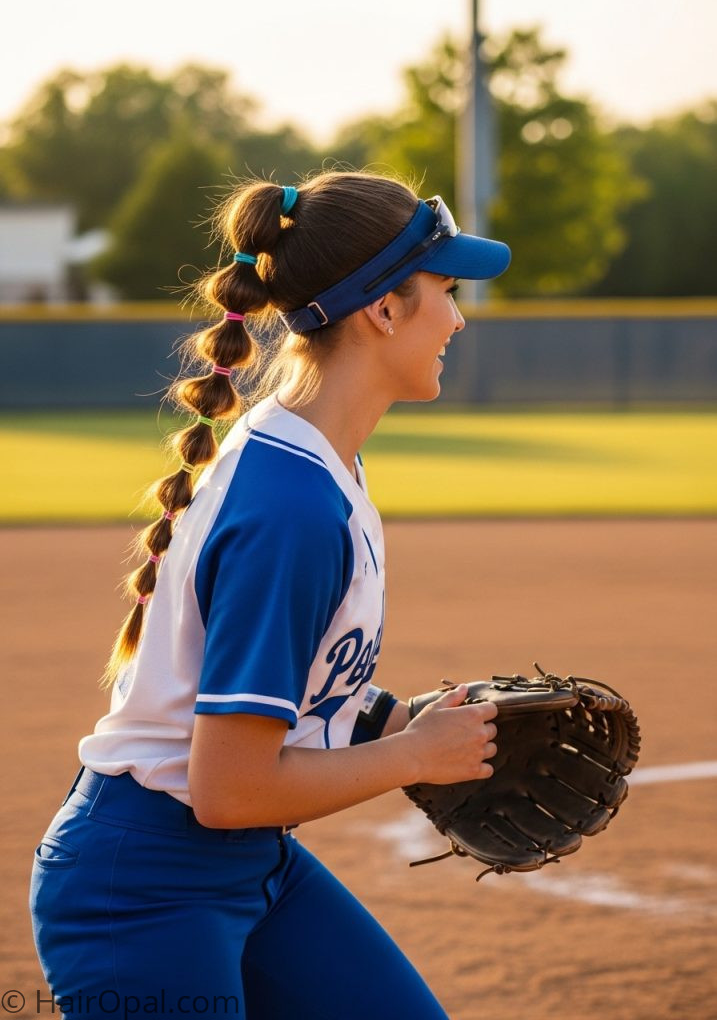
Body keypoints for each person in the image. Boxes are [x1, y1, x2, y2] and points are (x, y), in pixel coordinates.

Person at [29, 171, 511, 1020]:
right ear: (384, 310)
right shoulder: (290, 505)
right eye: (445, 289)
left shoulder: (318, 460)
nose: (458, 318)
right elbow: (230, 789)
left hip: (243, 862)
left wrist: (411, 722)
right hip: (144, 893)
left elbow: (302, 700)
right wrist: (413, 758)